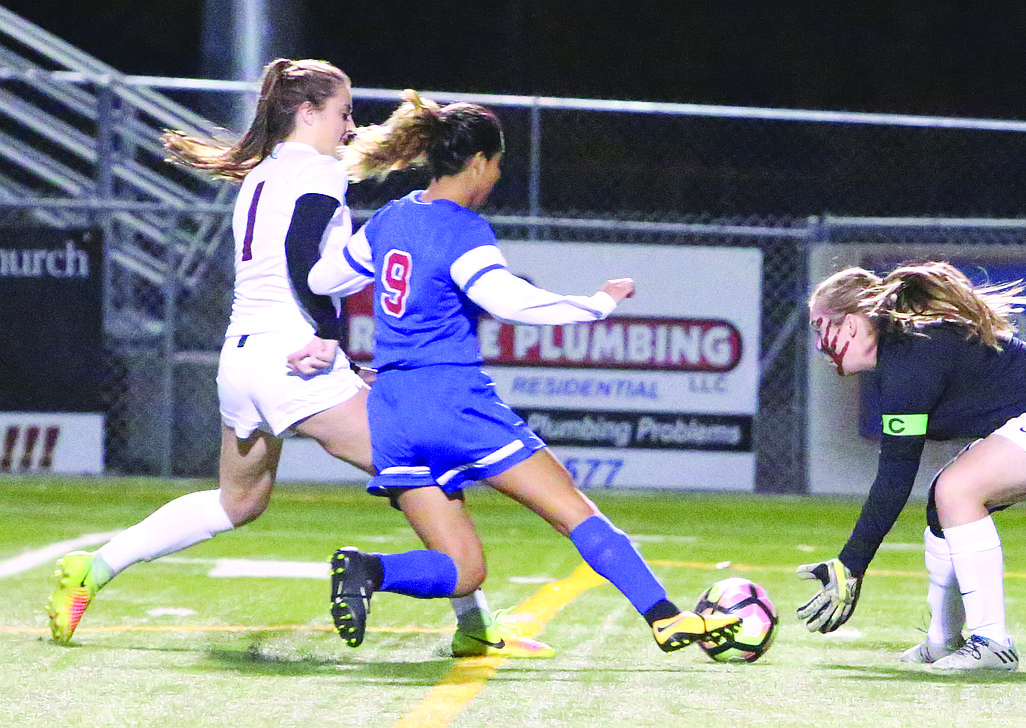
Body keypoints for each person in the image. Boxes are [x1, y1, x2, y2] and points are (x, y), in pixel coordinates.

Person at [46, 59, 548, 660]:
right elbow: (302, 256)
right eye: (342, 111)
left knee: (239, 502)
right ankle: (474, 623)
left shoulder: (262, 173)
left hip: (240, 362)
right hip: (295, 361)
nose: (349, 124)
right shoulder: (318, 171)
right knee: (421, 463)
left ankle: (94, 567)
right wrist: (331, 333)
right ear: (307, 113)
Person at [300, 90, 742, 653]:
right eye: (499, 164)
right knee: (574, 511)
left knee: (463, 569)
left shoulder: (392, 217)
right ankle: (664, 616)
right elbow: (510, 302)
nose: (497, 175)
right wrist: (597, 304)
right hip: (454, 404)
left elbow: (322, 281)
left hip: (392, 412)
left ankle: (369, 571)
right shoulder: (461, 230)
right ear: (479, 162)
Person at [797, 262, 1026, 671]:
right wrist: (851, 564)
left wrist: (851, 563)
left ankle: (992, 643)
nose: (819, 343)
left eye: (819, 327)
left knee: (957, 491)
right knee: (943, 501)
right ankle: (943, 641)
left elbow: (895, 476)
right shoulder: (901, 356)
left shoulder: (910, 358)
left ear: (853, 325)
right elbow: (899, 473)